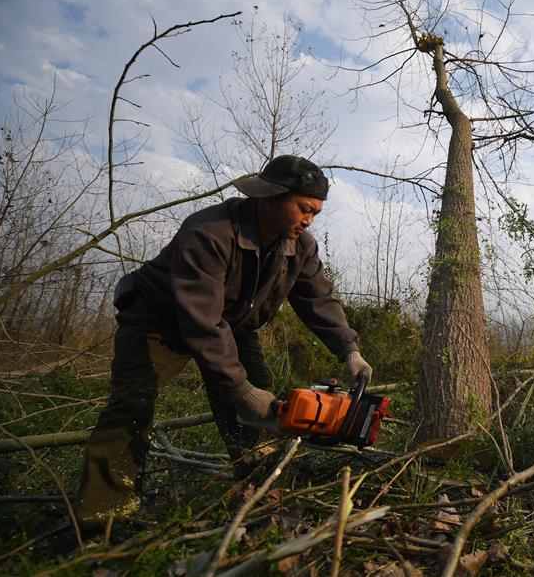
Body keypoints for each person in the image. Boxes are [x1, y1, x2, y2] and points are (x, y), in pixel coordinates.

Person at [76, 155, 371, 529]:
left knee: (263, 410)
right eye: (304, 209)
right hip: (159, 321)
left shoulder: (300, 247)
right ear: (271, 197)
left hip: (231, 324)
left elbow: (319, 299)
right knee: (133, 405)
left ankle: (256, 495)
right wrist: (239, 389)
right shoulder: (209, 232)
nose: (309, 220)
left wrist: (350, 350)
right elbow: (202, 323)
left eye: (316, 212)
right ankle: (102, 516)